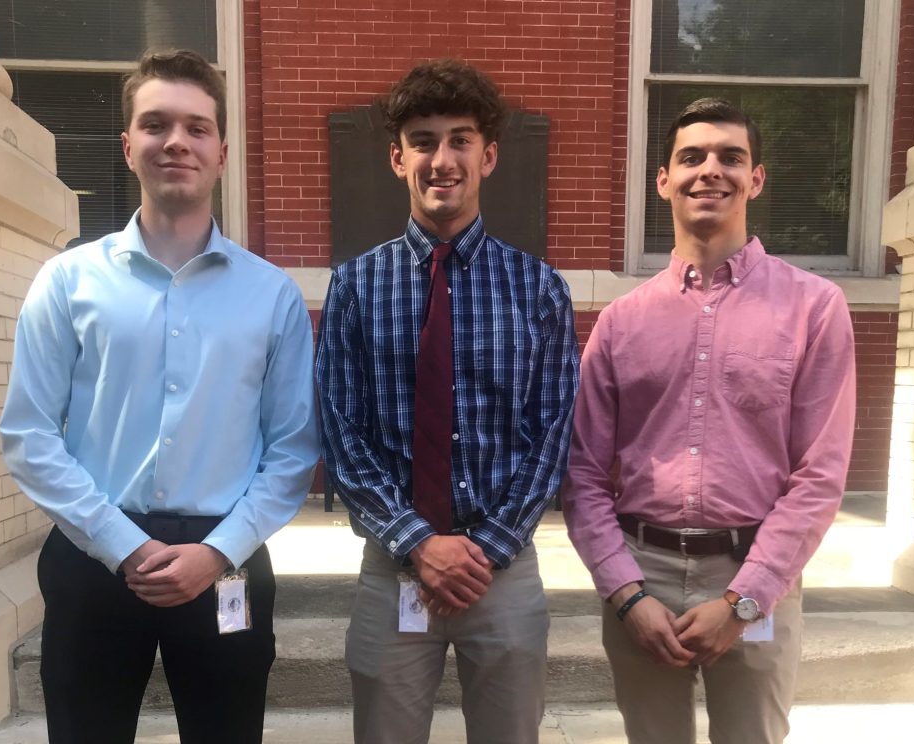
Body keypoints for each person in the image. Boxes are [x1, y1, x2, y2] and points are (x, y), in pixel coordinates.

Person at [0, 49, 319, 744]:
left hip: (224, 562)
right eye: (157, 124)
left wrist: (218, 551)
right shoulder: (67, 283)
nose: (177, 141)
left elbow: (293, 450)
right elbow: (29, 436)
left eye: (197, 127)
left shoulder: (271, 296)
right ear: (127, 144)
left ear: (223, 151)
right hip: (93, 558)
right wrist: (121, 544)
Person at [562, 98, 856, 744]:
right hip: (642, 576)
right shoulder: (621, 322)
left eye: (731, 157)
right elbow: (581, 474)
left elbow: (820, 475)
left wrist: (742, 602)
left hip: (755, 571)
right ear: (663, 180)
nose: (710, 171)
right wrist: (627, 595)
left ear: (756, 179)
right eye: (691, 157)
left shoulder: (815, 309)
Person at [315, 58, 580, 744]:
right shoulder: (356, 286)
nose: (442, 158)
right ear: (397, 156)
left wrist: (484, 547)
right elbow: (342, 431)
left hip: (505, 568)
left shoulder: (538, 288)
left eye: (460, 139)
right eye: (424, 140)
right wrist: (417, 544)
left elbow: (554, 432)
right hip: (394, 566)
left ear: (488, 156)